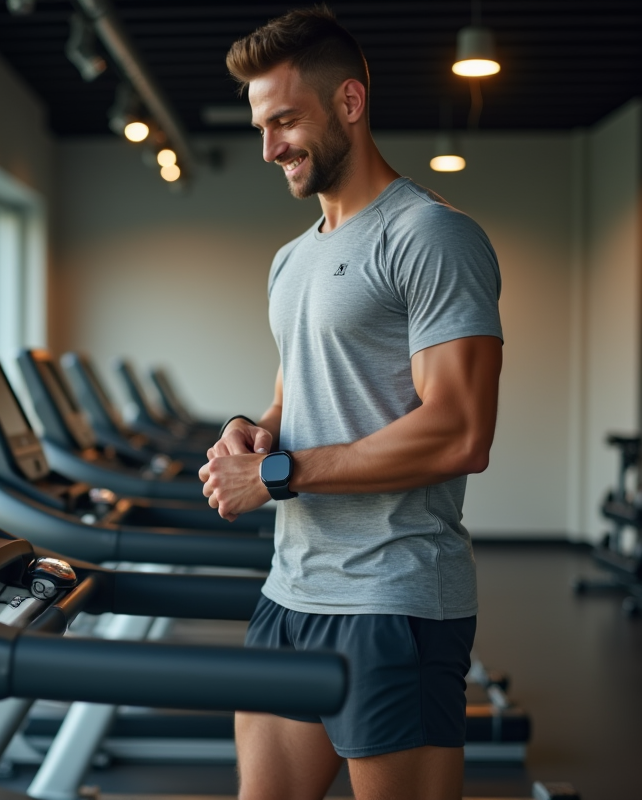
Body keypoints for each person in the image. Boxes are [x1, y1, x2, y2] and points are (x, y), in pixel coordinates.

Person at [198, 6, 504, 800]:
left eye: (286, 121)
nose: (270, 149)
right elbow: (294, 389)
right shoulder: (291, 259)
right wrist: (251, 432)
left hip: (394, 599)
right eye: (262, 127)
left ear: (350, 102)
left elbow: (461, 432)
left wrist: (278, 475)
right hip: (290, 590)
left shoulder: (429, 236)